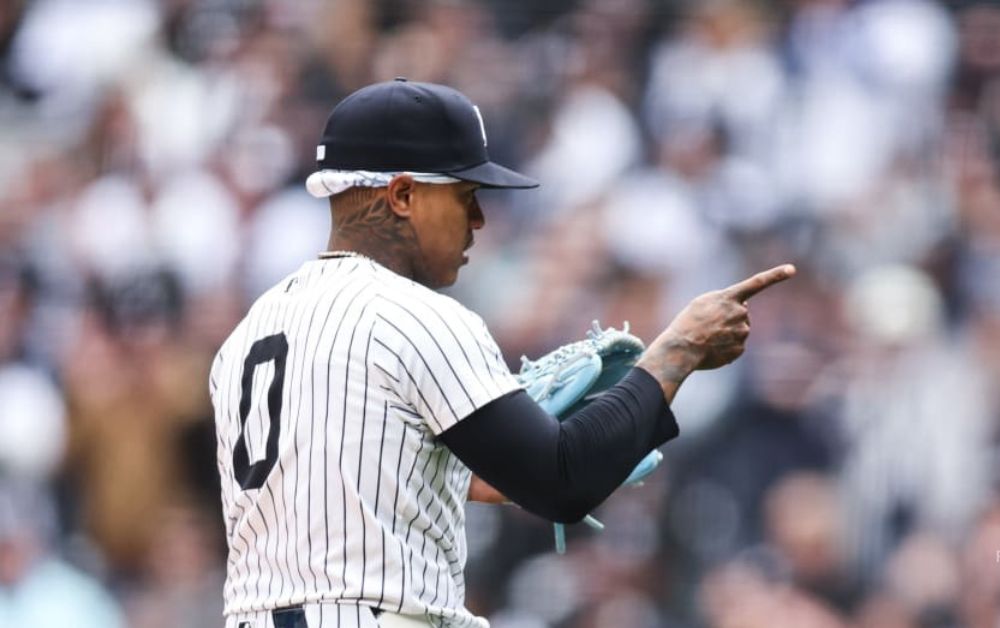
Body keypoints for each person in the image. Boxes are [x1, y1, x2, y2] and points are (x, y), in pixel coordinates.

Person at [209, 78, 794, 628]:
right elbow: (563, 483)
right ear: (404, 194)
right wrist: (678, 351)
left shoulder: (246, 337)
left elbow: (351, 478)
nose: (480, 219)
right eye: (465, 196)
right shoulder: (413, 316)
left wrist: (472, 469)